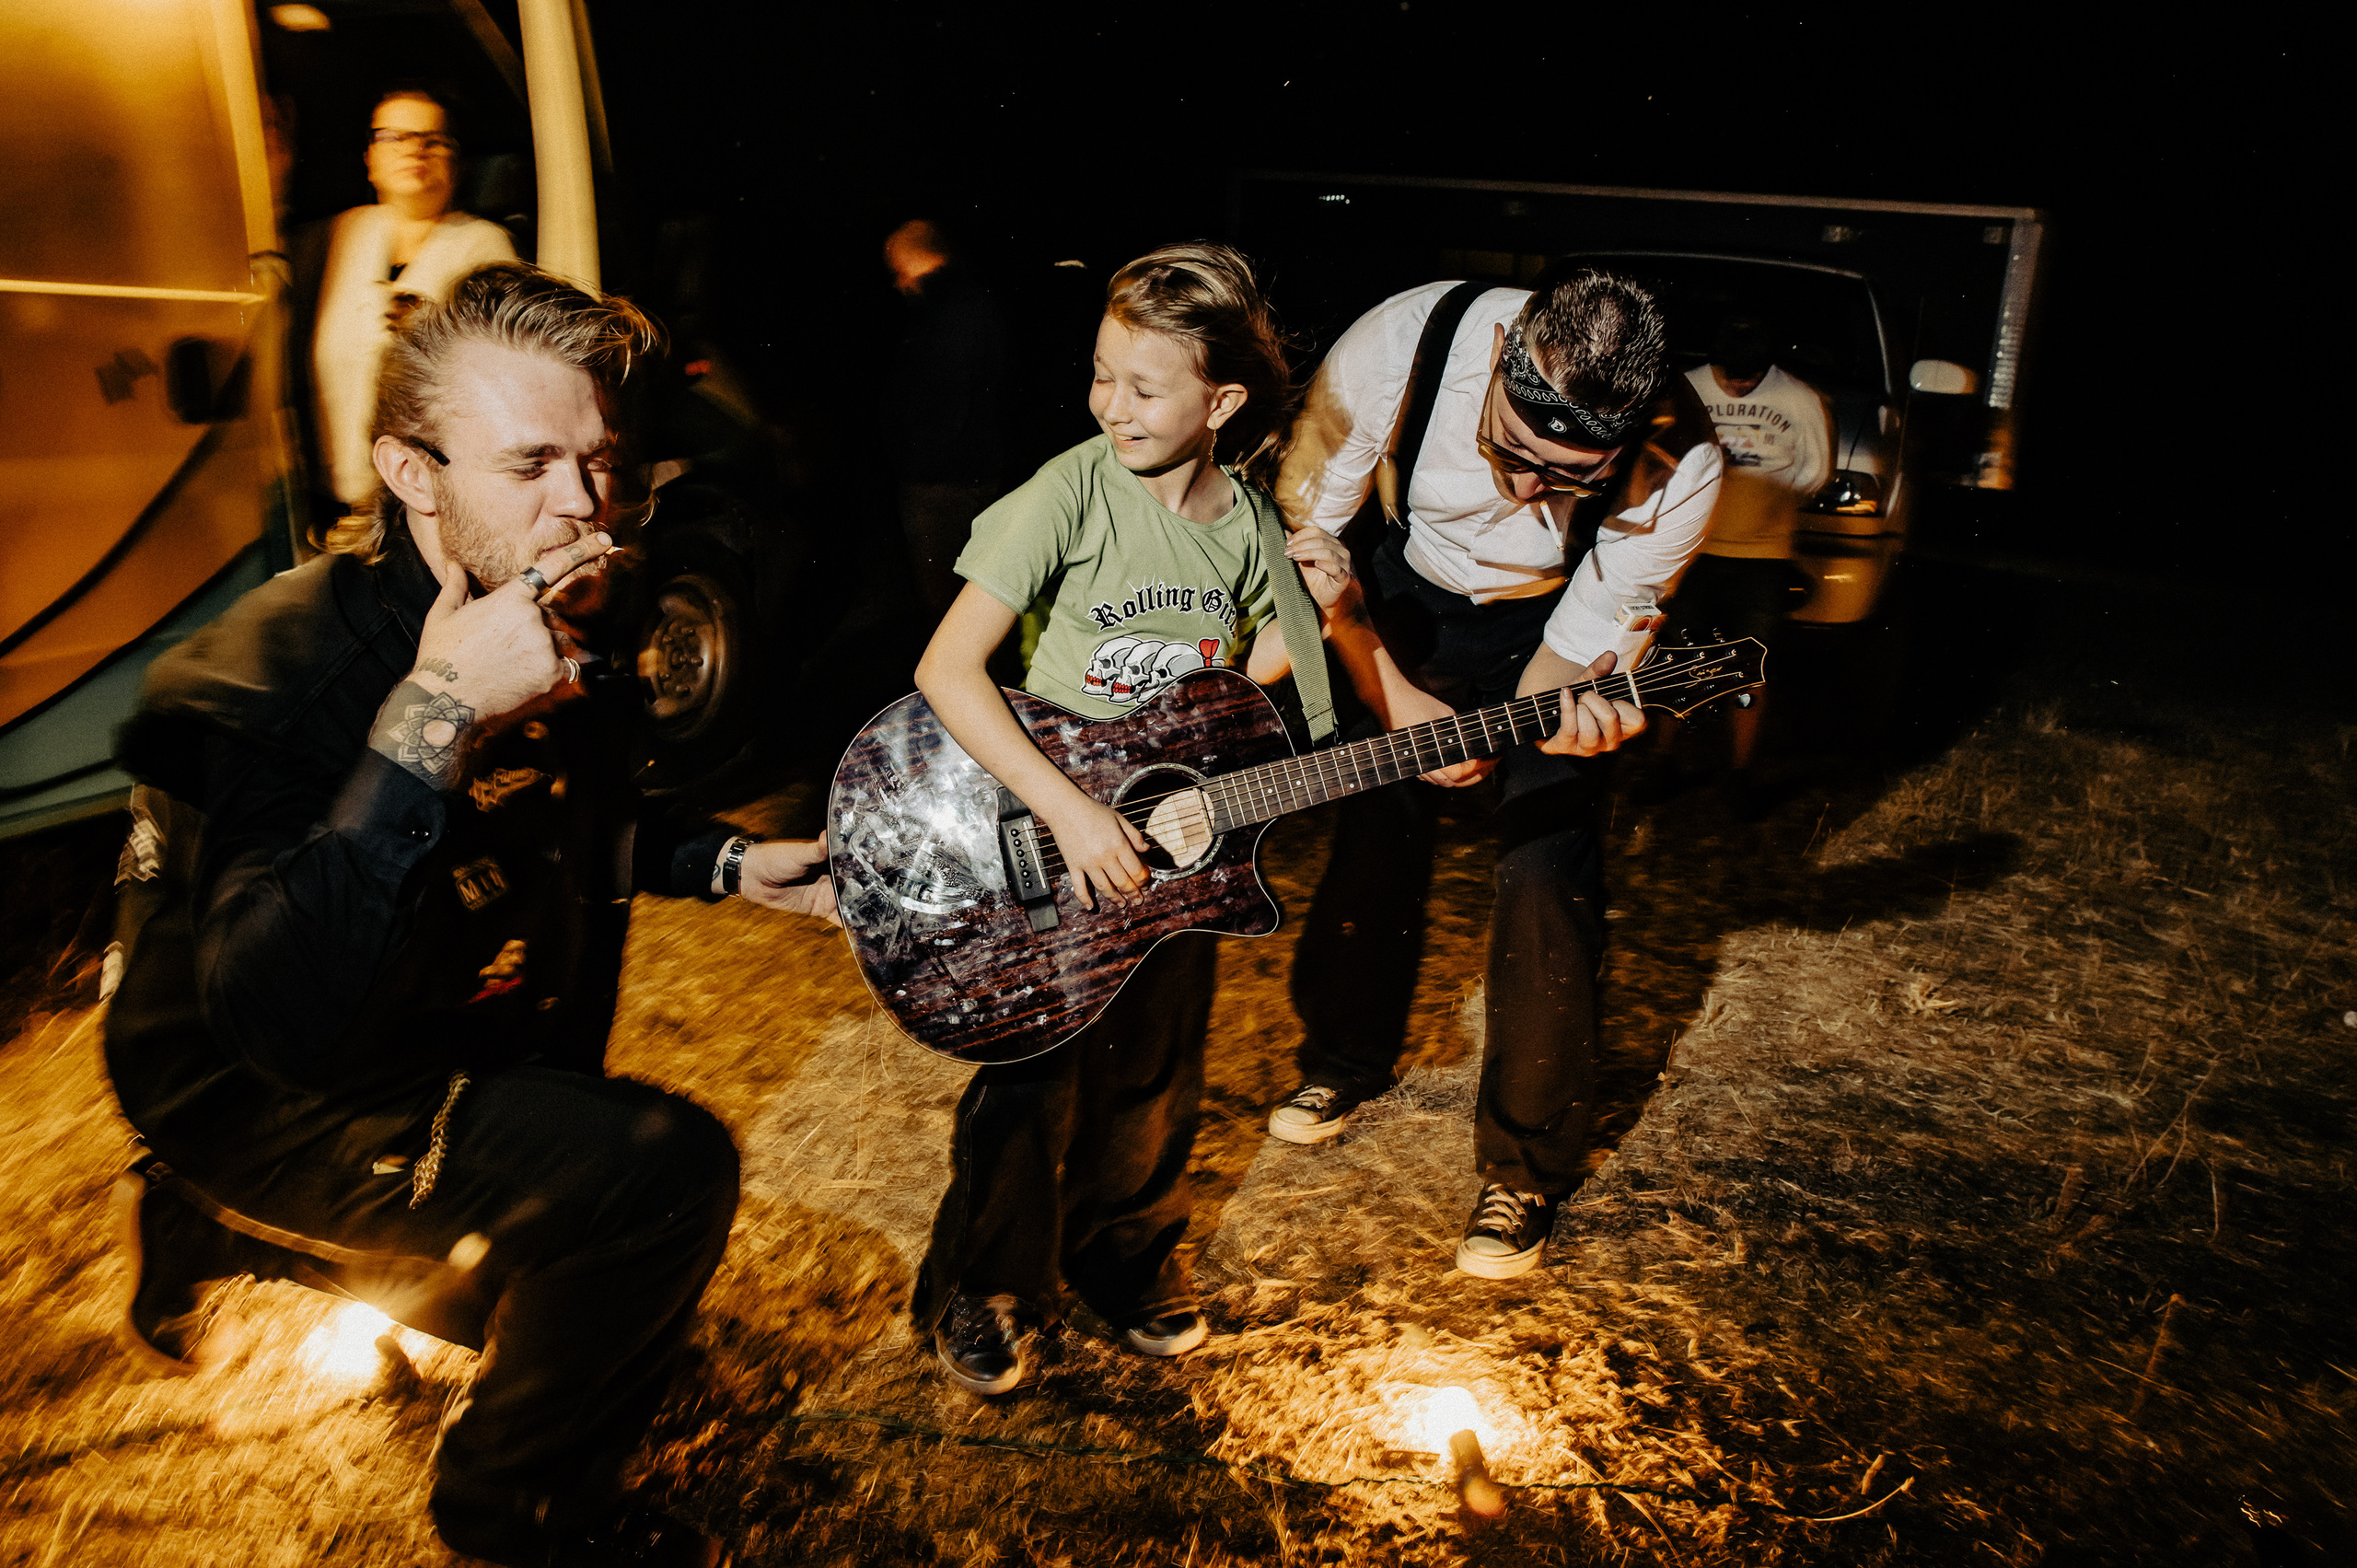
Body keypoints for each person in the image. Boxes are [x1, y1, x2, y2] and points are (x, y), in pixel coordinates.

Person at [101, 263, 836, 1568]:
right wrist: (434, 717)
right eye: (530, 463)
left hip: (424, 1013)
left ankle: (228, 1235)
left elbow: (559, 813)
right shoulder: (267, 678)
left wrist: (727, 863)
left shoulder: (557, 599)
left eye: (599, 459)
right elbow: (276, 1017)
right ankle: (511, 1509)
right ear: (412, 473)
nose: (583, 501)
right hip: (258, 1084)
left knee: (564, 1240)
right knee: (657, 1178)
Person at [911, 242, 1353, 1394]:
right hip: (1051, 838)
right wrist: (1067, 812)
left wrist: (1311, 610)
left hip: (1177, 849)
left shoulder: (1249, 523)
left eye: (1143, 387)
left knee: (1154, 1071)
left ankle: (1124, 1259)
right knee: (1031, 1077)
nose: (1110, 405)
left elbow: (1248, 684)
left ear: (1222, 402)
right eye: (1102, 374)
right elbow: (947, 668)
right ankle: (985, 1281)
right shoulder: (1067, 491)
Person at [1264, 266, 1723, 1280]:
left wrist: (1560, 731)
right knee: (1376, 829)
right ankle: (1343, 1061)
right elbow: (1304, 546)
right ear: (1502, 354)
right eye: (1510, 451)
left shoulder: (1682, 463)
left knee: (1547, 872)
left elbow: (1580, 646)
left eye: (1569, 478)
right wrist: (1393, 695)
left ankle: (1525, 1165)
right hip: (1394, 597)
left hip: (1546, 627)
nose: (1526, 492)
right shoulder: (1399, 342)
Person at [309, 87, 517, 516]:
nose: (414, 149)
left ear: (456, 162)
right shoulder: (337, 236)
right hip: (334, 498)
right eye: (394, 137)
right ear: (369, 158)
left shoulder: (485, 246)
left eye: (433, 140)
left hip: (433, 501)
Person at [1668, 319, 1836, 816]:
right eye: (1731, 377)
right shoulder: (1687, 389)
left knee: (1750, 666)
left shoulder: (1801, 400)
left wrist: (1761, 502)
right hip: (1693, 553)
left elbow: (1815, 473)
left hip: (1763, 559)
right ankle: (1663, 763)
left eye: (1751, 378)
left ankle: (1739, 776)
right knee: (1676, 659)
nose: (1740, 386)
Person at [885, 218, 1007, 619]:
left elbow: (943, 402)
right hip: (979, 471)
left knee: (945, 598)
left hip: (944, 484)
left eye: (899, 269)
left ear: (914, 260)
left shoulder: (943, 315)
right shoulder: (973, 300)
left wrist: (919, 468)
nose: (898, 282)